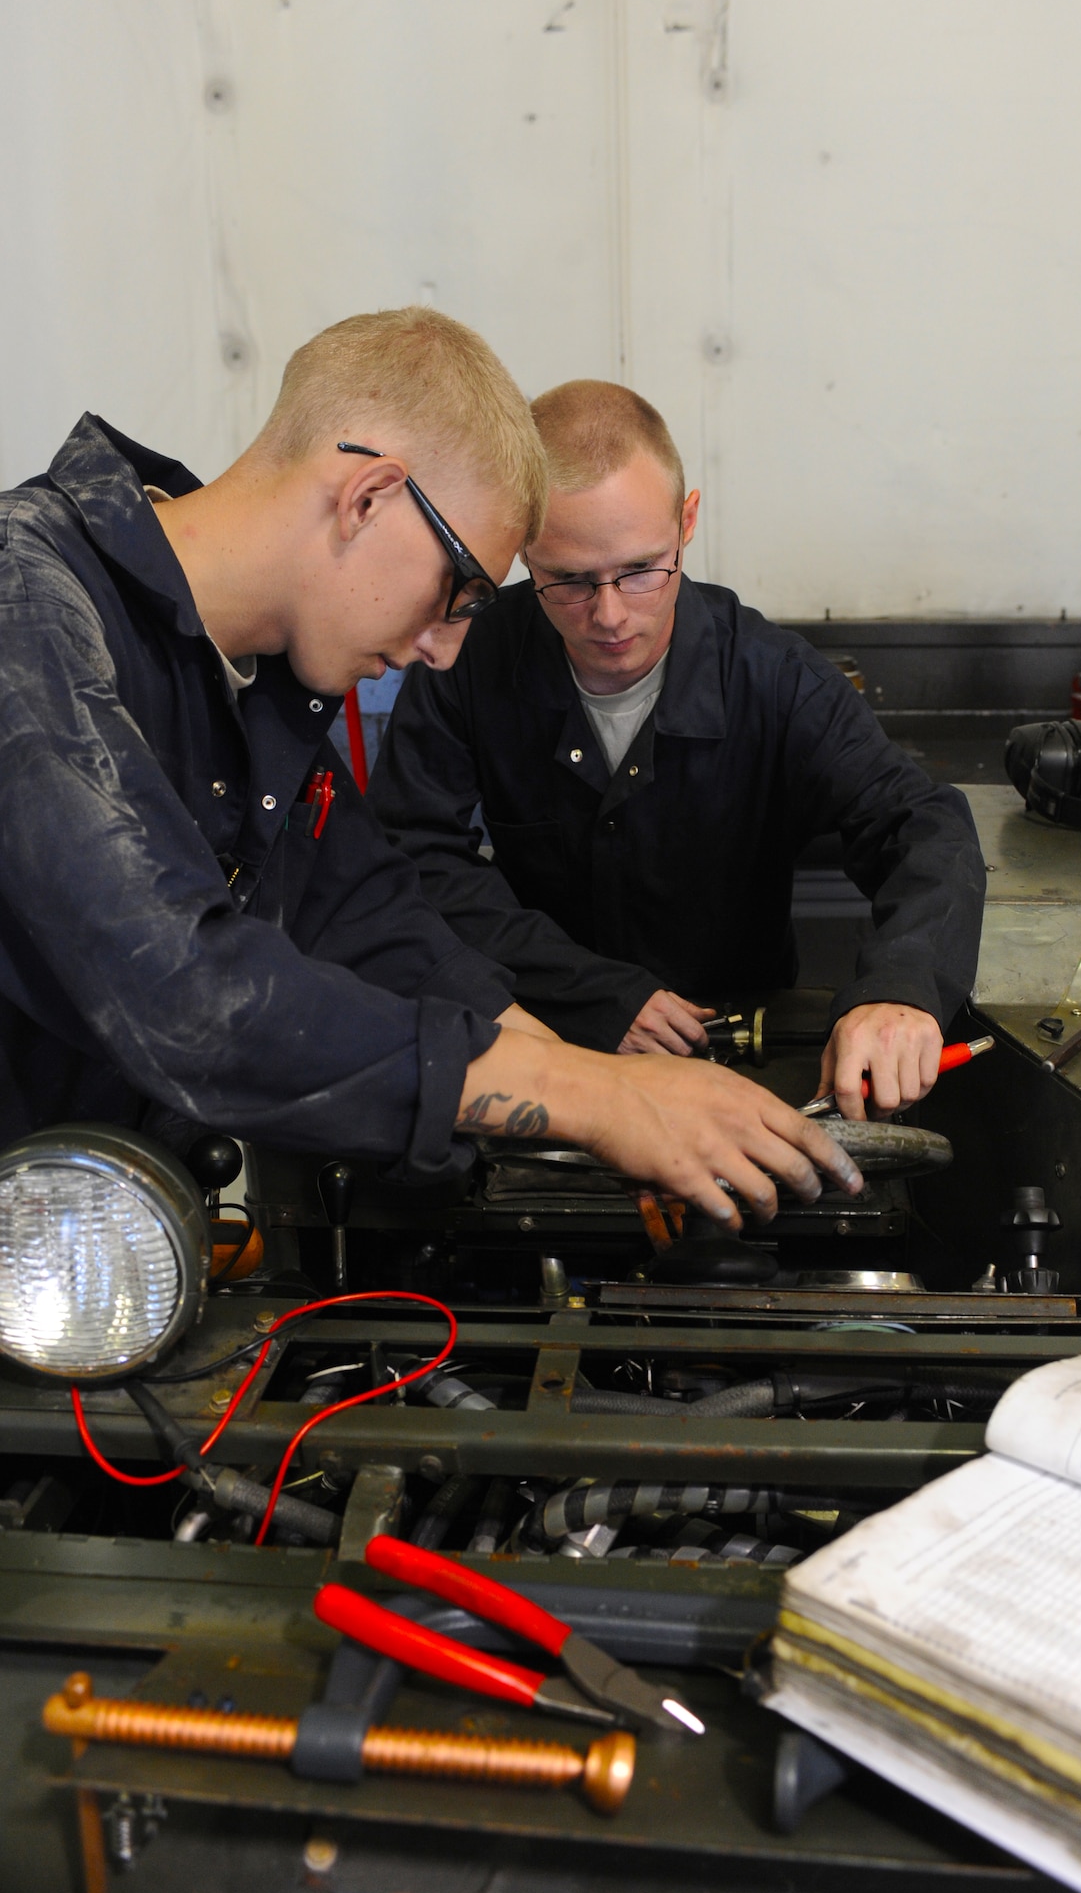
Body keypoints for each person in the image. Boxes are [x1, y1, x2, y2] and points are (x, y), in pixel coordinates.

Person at [0, 312, 858, 1228]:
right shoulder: (27, 612)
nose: (446, 652)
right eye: (459, 598)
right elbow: (183, 991)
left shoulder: (251, 681)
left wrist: (621, 1088)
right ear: (368, 497)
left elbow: (366, 914)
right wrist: (592, 1100)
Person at [370, 380, 986, 1117]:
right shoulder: (466, 659)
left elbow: (921, 825)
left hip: (740, 1049)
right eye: (566, 581)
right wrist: (591, 989)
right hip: (542, 1042)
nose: (608, 615)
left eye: (639, 570)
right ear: (521, 545)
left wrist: (899, 988)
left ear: (685, 521)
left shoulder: (773, 678)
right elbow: (410, 855)